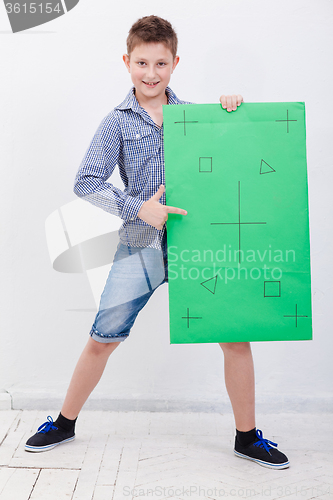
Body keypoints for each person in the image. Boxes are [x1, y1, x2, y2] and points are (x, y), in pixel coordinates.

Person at [25, 15, 289, 470]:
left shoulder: (197, 117)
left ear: (175, 63)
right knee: (103, 337)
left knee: (235, 338)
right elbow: (86, 180)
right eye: (142, 62)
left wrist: (234, 109)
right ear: (127, 62)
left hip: (199, 243)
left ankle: (247, 437)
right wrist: (136, 208)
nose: (151, 73)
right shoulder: (116, 123)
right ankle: (65, 422)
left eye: (160, 63)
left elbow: (236, 157)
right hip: (141, 244)